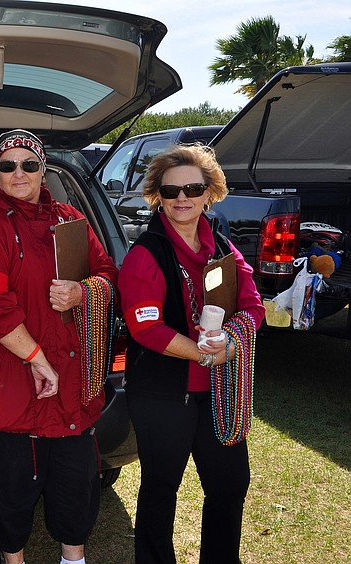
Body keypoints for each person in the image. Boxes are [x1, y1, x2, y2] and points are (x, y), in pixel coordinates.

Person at [0, 129, 118, 564]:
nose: (18, 172)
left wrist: (85, 292)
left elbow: (105, 271)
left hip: (70, 384)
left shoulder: (68, 217)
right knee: (7, 489)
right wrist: (36, 357)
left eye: (29, 163)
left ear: (43, 171)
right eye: (8, 165)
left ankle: (73, 557)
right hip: (7, 386)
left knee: (75, 483)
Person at [117, 144, 265, 563]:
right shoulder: (146, 253)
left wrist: (233, 343)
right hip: (163, 395)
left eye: (192, 188)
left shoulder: (221, 247)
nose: (181, 199)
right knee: (161, 487)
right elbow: (145, 327)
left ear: (208, 193)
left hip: (218, 394)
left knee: (230, 485)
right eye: (170, 191)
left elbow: (253, 307)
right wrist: (205, 354)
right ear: (157, 197)